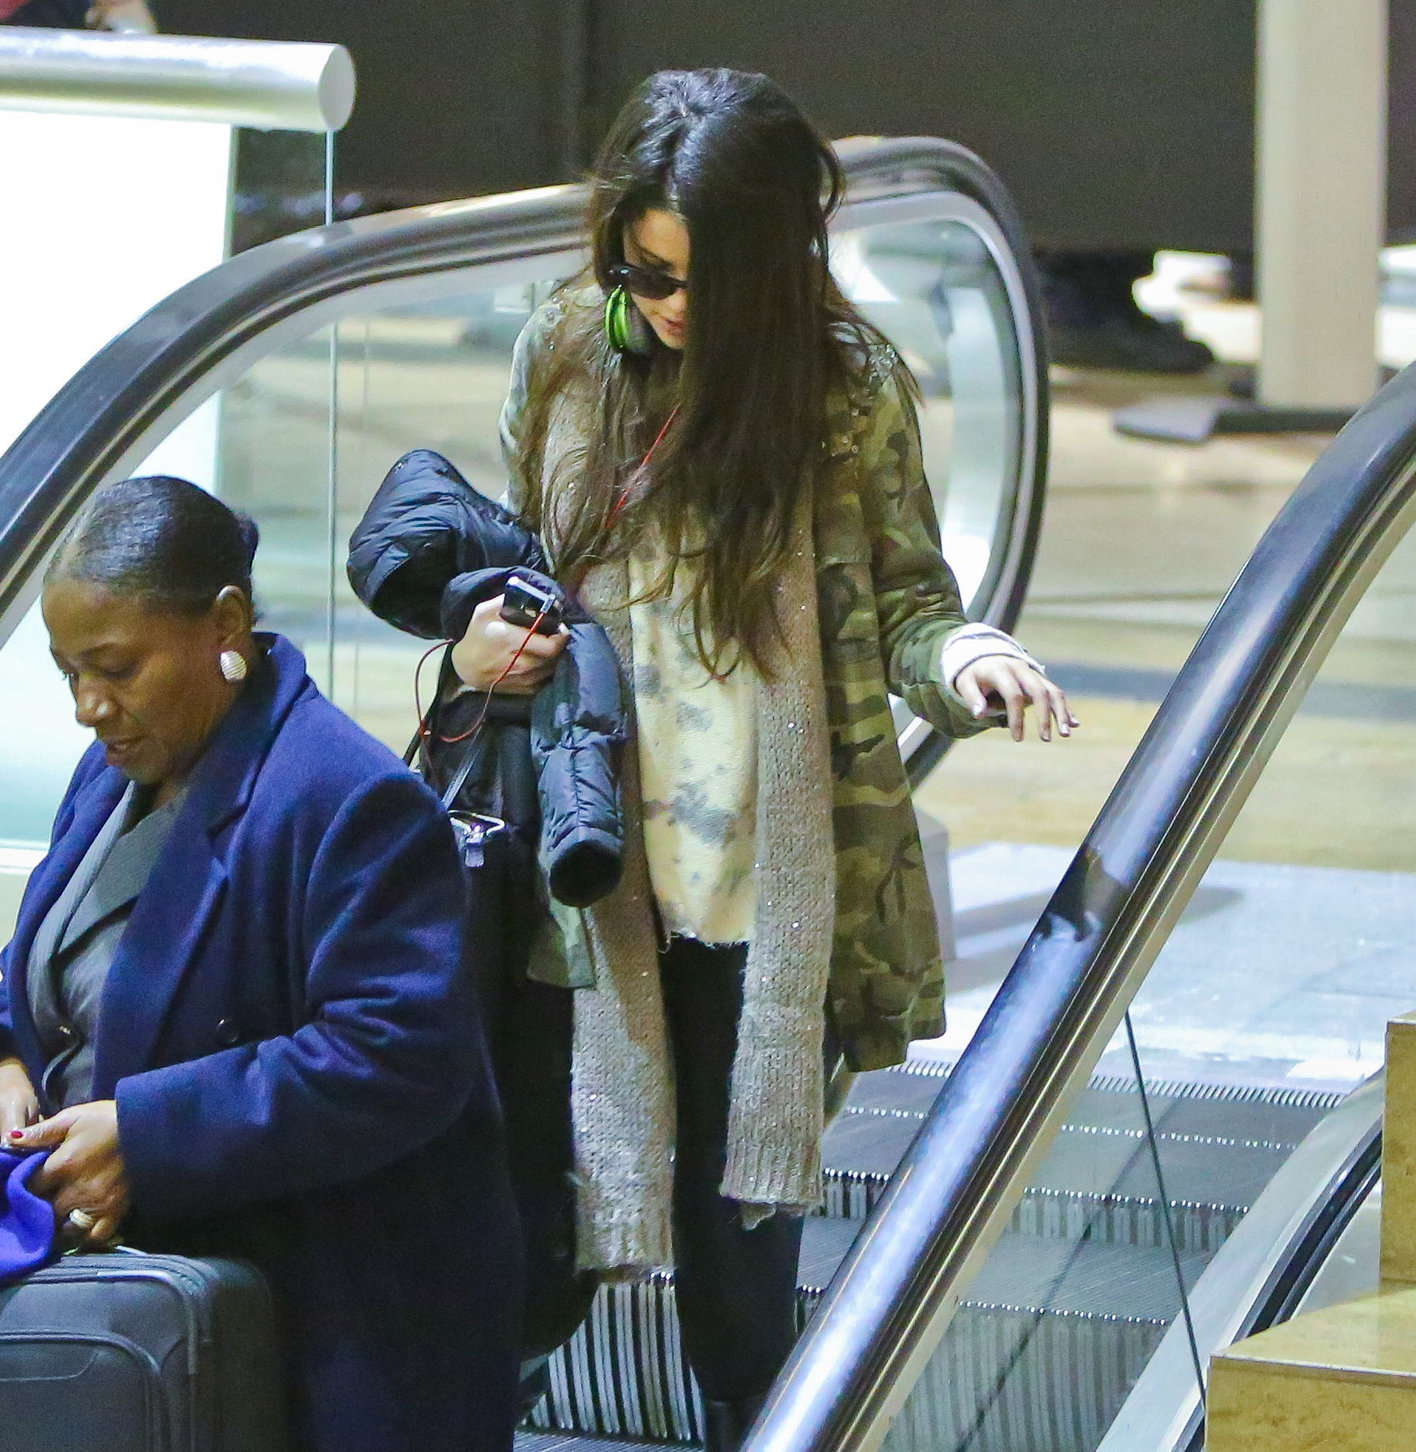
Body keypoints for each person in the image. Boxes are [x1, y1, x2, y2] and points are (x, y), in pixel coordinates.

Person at [447, 68, 1077, 1451]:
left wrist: (967, 658)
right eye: (647, 273)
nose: (674, 309)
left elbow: (908, 599)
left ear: (785, 257)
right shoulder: (567, 351)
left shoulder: (844, 392)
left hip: (762, 887)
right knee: (529, 1237)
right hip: (582, 866)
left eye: (706, 281)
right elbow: (507, 567)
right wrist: (482, 638)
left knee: (739, 1272)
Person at [0, 476, 520, 1452]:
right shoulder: (114, 768)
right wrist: (5, 1054)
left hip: (328, 1355)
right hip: (149, 1331)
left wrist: (146, 1136)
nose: (86, 707)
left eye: (113, 667)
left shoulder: (349, 800)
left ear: (226, 624)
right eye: (69, 672)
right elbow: (50, 962)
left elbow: (397, 1059)